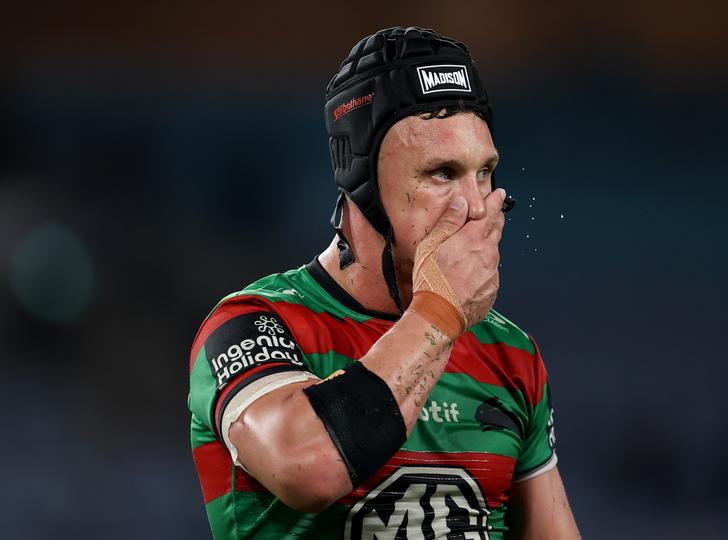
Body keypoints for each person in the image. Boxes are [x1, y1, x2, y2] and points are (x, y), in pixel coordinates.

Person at [188, 26, 580, 539]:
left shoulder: (510, 351)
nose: (477, 205)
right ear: (361, 185)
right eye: (442, 173)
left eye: (484, 172)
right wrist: (440, 314)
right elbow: (307, 467)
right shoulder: (252, 324)